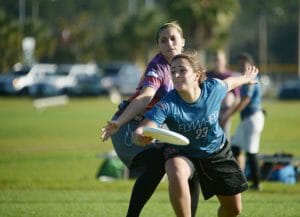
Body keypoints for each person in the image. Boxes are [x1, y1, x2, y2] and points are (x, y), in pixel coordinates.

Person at [133, 52, 259, 217]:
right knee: (174, 168)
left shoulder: (213, 88)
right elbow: (146, 127)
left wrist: (245, 78)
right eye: (173, 71)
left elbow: (230, 83)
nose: (176, 75)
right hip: (184, 153)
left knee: (234, 209)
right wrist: (139, 135)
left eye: (182, 70)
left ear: (196, 75)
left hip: (216, 152)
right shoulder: (168, 103)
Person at [100, 22, 200, 217]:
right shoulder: (158, 66)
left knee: (191, 164)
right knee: (156, 163)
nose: (169, 43)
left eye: (173, 38)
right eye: (163, 40)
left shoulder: (187, 67)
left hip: (156, 126)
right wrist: (119, 123)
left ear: (183, 42)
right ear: (158, 46)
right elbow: (146, 97)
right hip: (130, 123)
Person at [222, 52, 265, 191]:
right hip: (247, 119)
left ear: (251, 66)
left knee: (252, 151)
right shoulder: (246, 79)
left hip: (253, 118)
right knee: (235, 147)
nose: (241, 68)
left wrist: (230, 114)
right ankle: (239, 178)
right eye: (240, 65)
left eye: (244, 65)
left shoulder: (252, 80)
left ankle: (257, 183)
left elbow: (245, 99)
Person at [207, 50, 240, 140]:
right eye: (215, 59)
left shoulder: (229, 75)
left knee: (224, 138)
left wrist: (228, 114)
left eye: (219, 59)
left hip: (224, 112)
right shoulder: (208, 75)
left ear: (224, 61)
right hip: (210, 112)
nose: (217, 62)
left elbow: (237, 99)